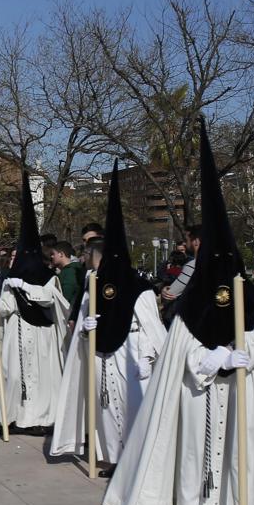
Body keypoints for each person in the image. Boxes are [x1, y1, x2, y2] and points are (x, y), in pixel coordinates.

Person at [102, 120, 254, 505]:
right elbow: (181, 351)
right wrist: (212, 358)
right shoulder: (195, 302)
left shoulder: (251, 302)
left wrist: (245, 355)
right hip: (197, 394)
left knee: (246, 457)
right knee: (197, 457)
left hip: (247, 397)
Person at [51, 163, 167, 469]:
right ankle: (113, 459)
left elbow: (152, 327)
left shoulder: (138, 288)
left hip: (131, 352)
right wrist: (86, 330)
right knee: (106, 409)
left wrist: (148, 356)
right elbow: (85, 314)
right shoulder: (94, 285)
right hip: (103, 354)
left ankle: (133, 461)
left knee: (131, 408)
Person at [0, 172, 69, 436]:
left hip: (41, 337)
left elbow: (49, 299)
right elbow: (5, 308)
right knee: (15, 377)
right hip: (16, 336)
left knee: (41, 379)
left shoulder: (47, 279)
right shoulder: (12, 281)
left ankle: (41, 419)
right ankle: (16, 418)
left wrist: (26, 287)